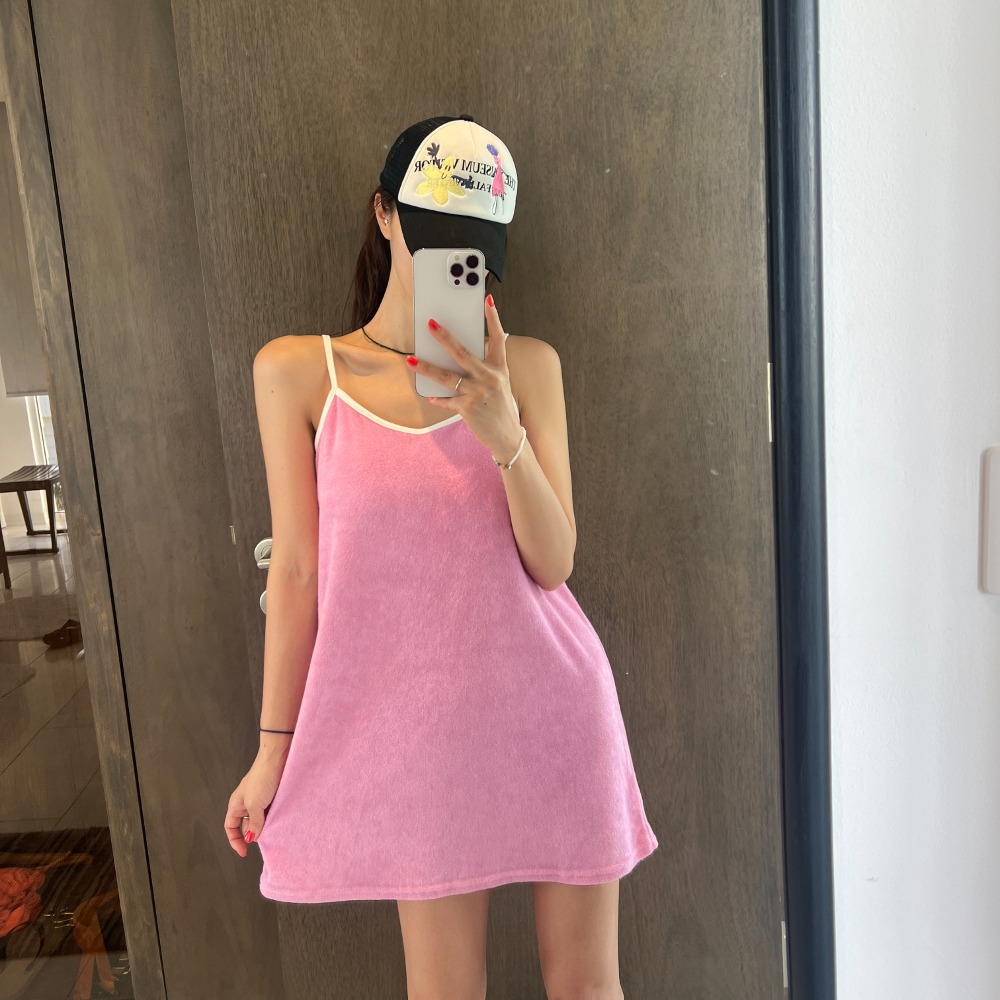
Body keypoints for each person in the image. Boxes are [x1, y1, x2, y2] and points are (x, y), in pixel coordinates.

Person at [224, 115, 657, 999]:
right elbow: (297, 573)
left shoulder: (528, 368)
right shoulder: (299, 373)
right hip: (418, 739)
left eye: (471, 249)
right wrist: (273, 751)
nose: (452, 266)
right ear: (384, 214)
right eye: (433, 237)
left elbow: (554, 563)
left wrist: (502, 432)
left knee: (588, 989)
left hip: (554, 713)